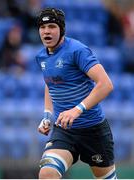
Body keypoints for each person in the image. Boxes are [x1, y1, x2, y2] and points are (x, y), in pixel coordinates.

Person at [36, 7, 117, 179]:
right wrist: (47, 115)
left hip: (93, 130)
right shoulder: (41, 56)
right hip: (64, 130)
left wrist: (77, 109)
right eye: (42, 28)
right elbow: (51, 84)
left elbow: (106, 84)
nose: (46, 31)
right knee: (47, 173)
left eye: (52, 26)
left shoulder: (77, 50)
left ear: (62, 29)